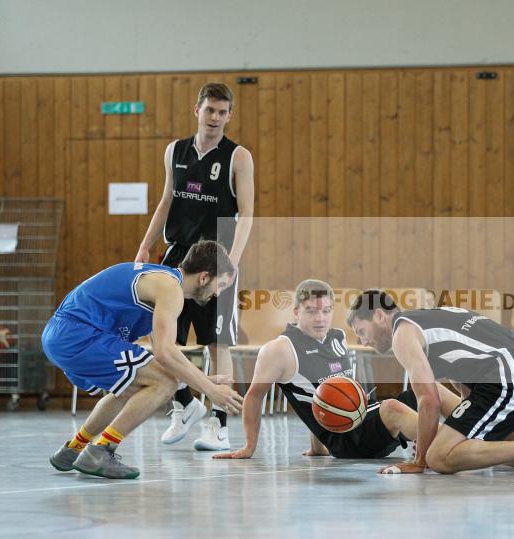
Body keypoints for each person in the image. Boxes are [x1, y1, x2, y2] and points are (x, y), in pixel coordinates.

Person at [346, 289, 514, 475]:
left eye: (361, 332)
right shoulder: (432, 318)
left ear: (379, 316)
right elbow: (464, 386)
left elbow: (429, 400)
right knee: (509, 449)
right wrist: (460, 428)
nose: (364, 340)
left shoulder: (402, 333)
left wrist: (419, 460)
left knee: (439, 457)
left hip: (511, 374)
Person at [46, 241, 242, 479]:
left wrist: (198, 378)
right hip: (79, 335)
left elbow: (159, 358)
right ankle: (101, 450)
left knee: (132, 386)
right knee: (165, 384)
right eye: (219, 285)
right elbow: (165, 353)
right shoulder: (171, 290)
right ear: (204, 277)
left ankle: (73, 450)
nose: (217, 294)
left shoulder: (160, 280)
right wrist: (210, 389)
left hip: (63, 335)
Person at [135, 82, 255, 451]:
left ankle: (218, 424)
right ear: (197, 110)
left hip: (217, 256)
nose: (216, 118)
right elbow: (167, 200)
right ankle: (184, 404)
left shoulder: (238, 157)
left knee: (218, 344)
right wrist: (145, 244)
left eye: (223, 112)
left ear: (229, 116)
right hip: (178, 256)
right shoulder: (176, 151)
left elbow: (248, 214)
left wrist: (230, 264)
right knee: (163, 337)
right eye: (210, 110)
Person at [213, 280, 453, 461]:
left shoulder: (337, 338)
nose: (321, 318)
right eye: (311, 311)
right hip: (347, 441)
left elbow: (325, 396)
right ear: (296, 312)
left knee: (431, 389)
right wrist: (249, 446)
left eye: (326, 311)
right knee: (391, 407)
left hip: (364, 423)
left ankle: (474, 428)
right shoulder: (279, 350)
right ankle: (454, 446)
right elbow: (254, 396)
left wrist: (317, 449)